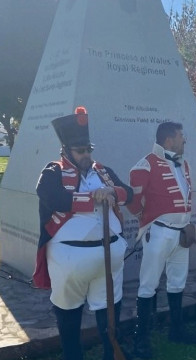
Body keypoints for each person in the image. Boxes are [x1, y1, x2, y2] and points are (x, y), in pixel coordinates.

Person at [33, 108, 133, 360]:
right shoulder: (53, 171)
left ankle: (112, 354)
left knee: (109, 311)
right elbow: (51, 196)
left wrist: (110, 193)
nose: (87, 155)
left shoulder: (104, 171)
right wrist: (91, 199)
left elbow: (128, 192)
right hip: (70, 257)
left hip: (110, 255)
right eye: (81, 151)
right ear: (66, 151)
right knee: (68, 315)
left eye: (89, 149)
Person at [127, 121, 196, 359]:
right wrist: (149, 220)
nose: (184, 139)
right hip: (159, 231)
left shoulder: (183, 163)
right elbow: (134, 204)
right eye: (181, 136)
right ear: (169, 140)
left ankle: (176, 330)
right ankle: (141, 341)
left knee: (178, 282)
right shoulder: (145, 165)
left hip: (181, 232)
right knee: (148, 285)